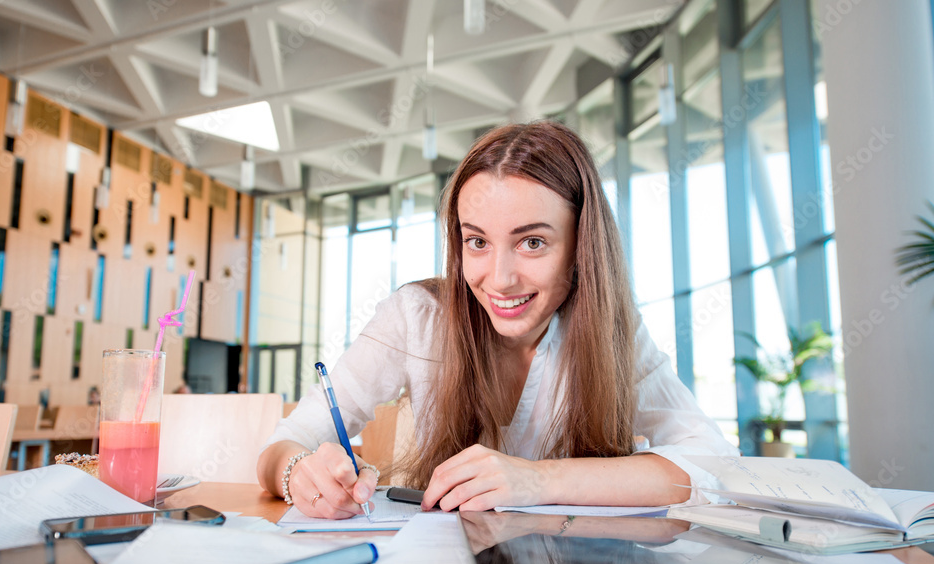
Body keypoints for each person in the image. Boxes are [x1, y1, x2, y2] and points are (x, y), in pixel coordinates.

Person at [257, 121, 739, 520]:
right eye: (478, 242)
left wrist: (537, 480)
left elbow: (715, 466)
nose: (500, 279)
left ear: (581, 247)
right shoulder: (417, 315)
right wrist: (299, 471)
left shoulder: (614, 331)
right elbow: (285, 443)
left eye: (532, 242)